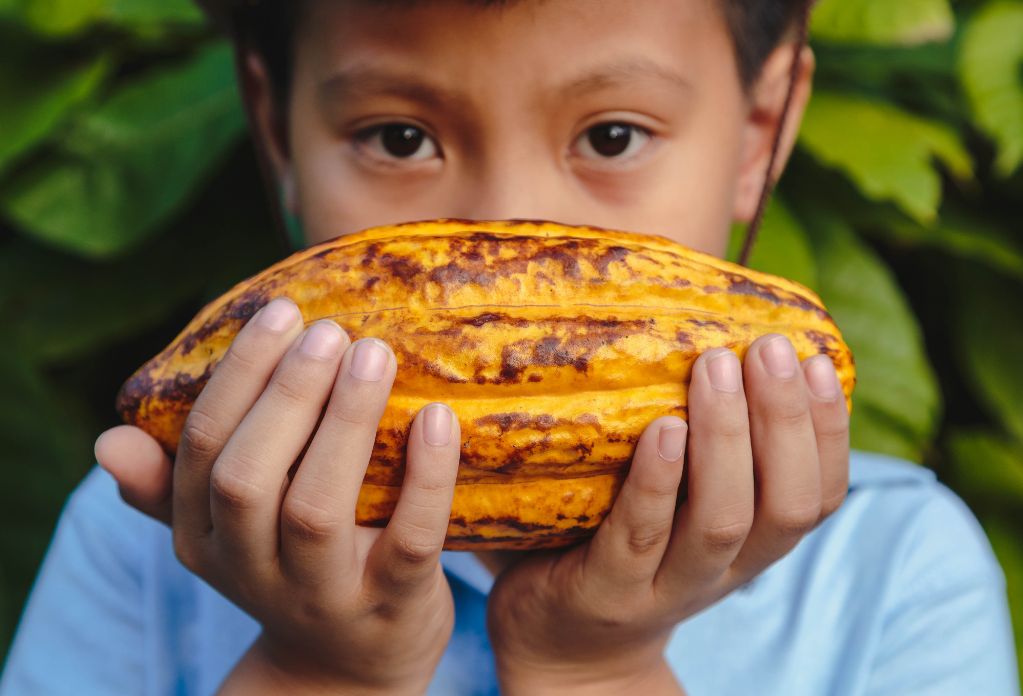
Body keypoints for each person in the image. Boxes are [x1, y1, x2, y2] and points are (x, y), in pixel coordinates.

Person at [2, 1, 1018, 694]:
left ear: (758, 134)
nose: (506, 232)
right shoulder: (142, 542)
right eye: (400, 139)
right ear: (276, 133)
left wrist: (597, 670)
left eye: (612, 136)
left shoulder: (896, 573)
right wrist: (319, 674)